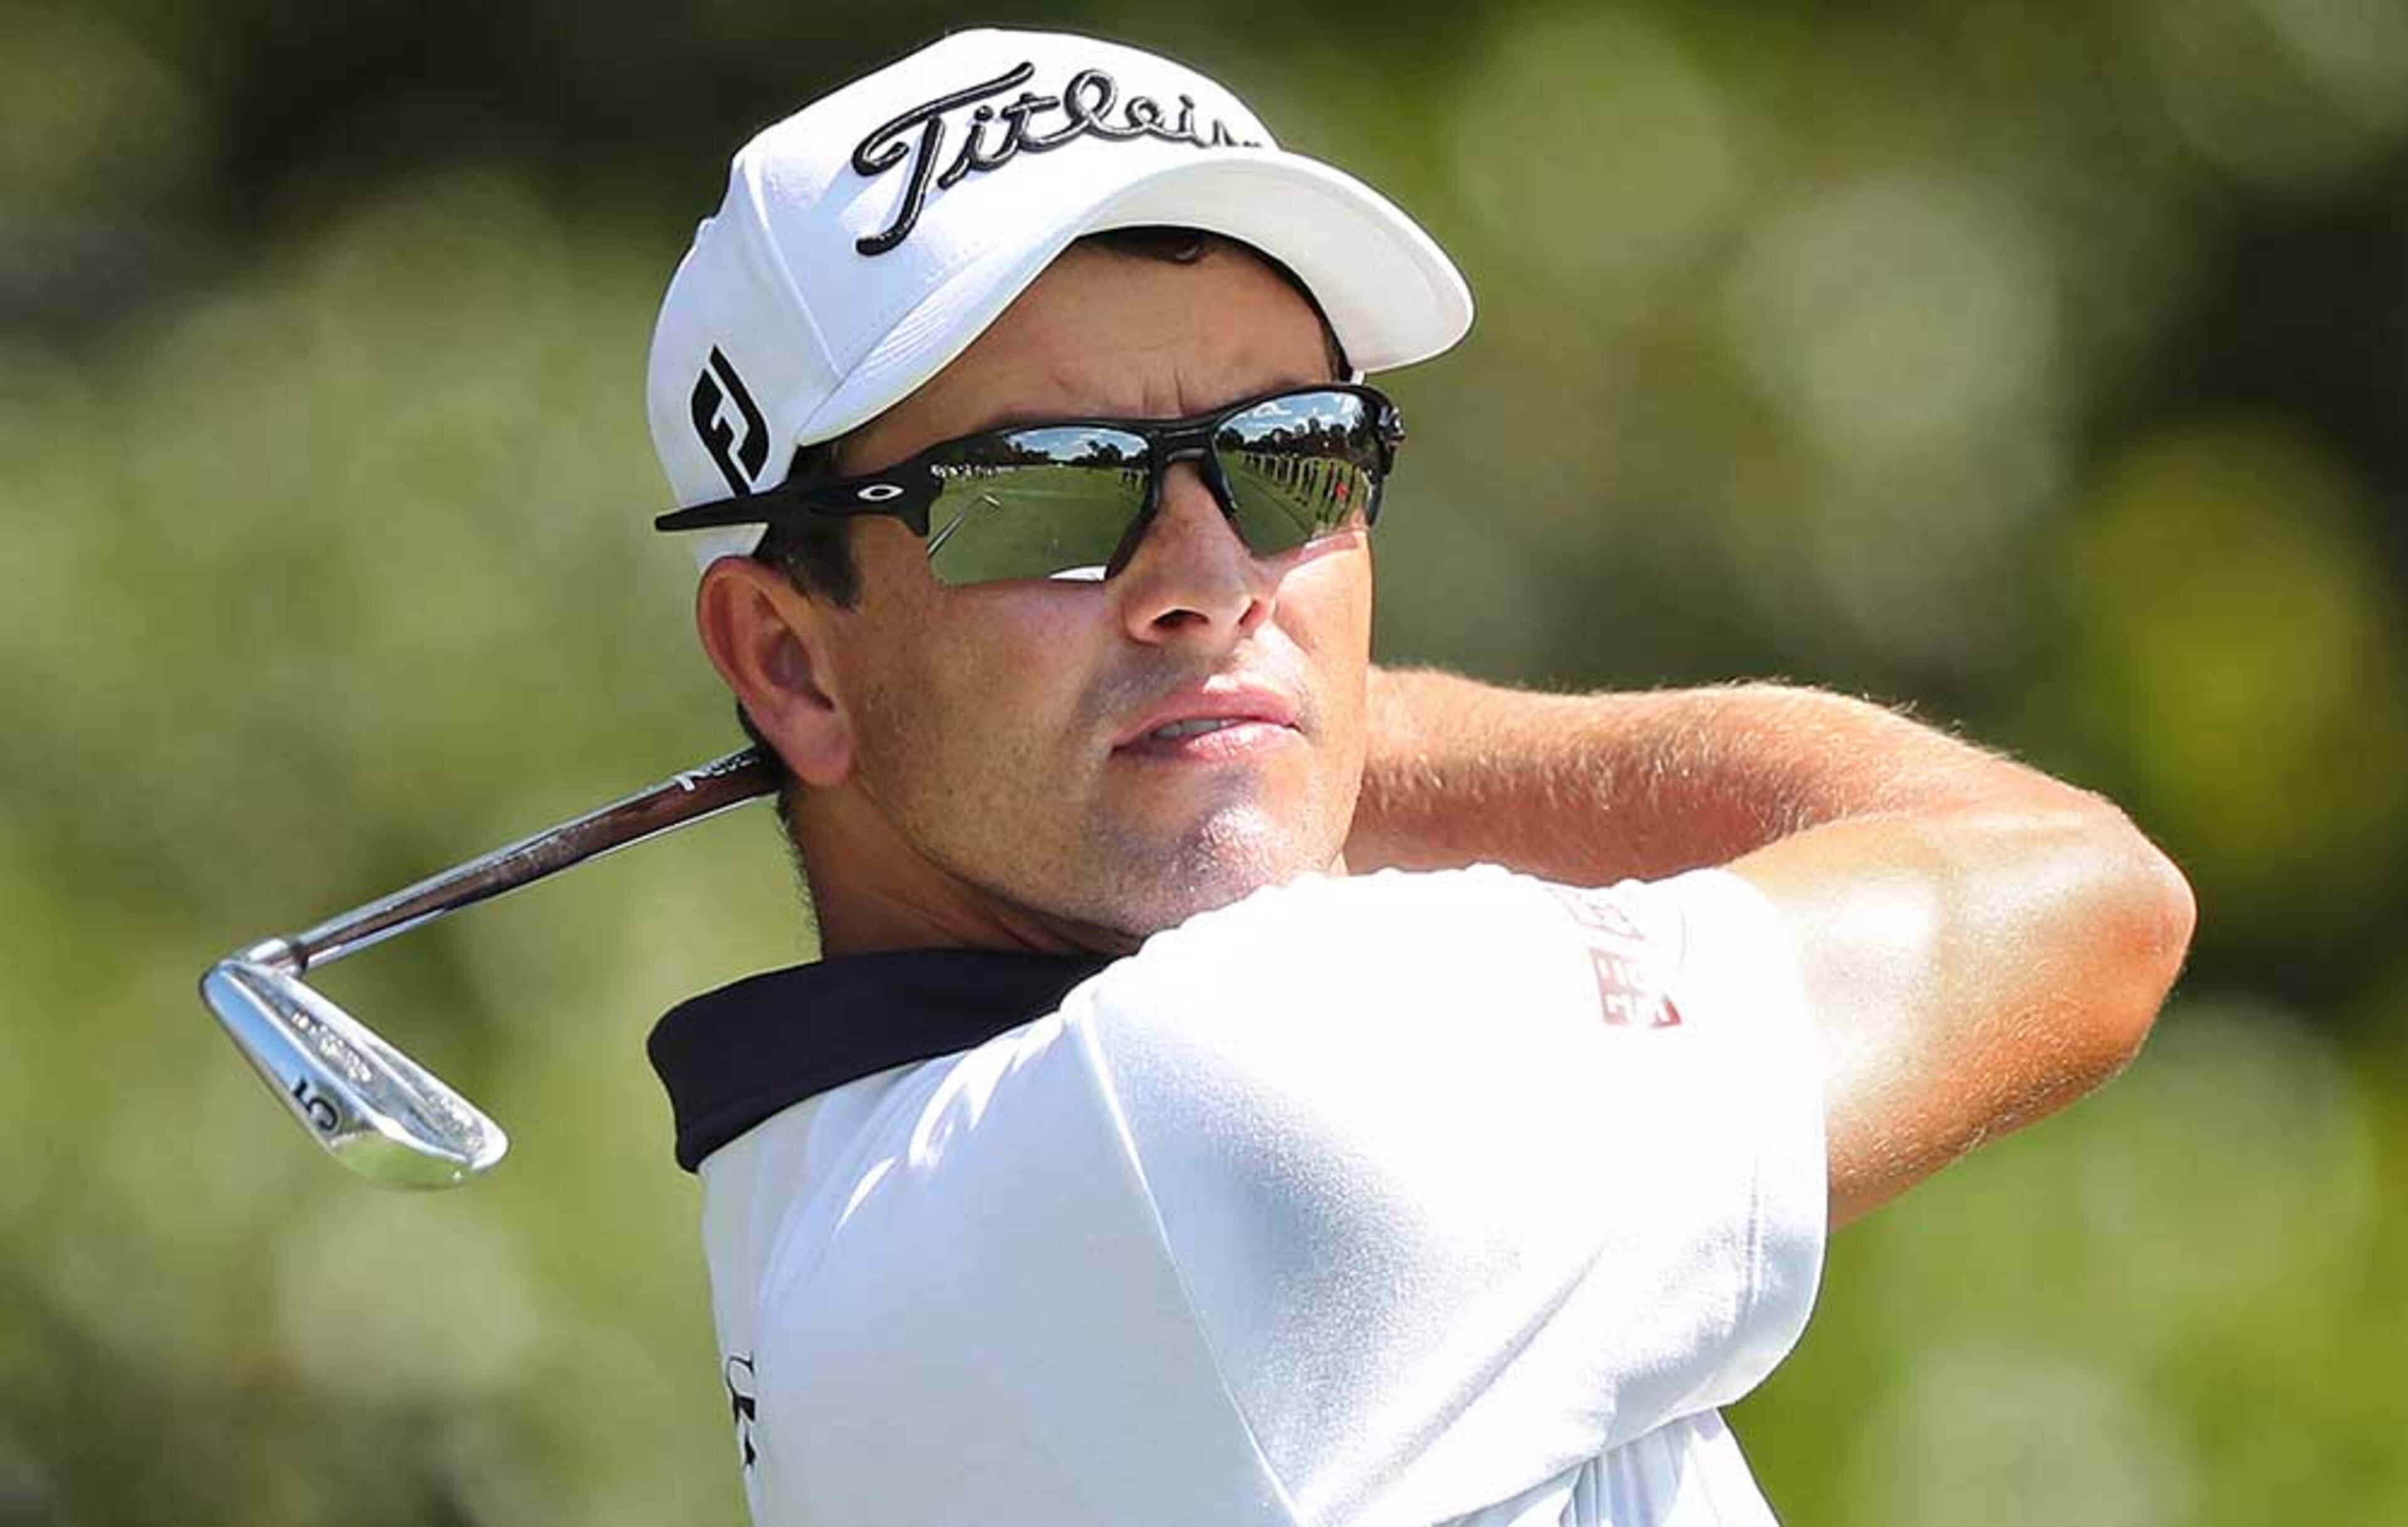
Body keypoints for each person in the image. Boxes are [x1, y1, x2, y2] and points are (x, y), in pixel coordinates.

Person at [640, 28, 2194, 1527]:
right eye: (1043, 489)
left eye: (1290, 452)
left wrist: (1213, 726)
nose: (1214, 582)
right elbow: (2075, 891)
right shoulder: (1235, 1099)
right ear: (789, 662)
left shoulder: (814, 1194)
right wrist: (1291, 724)